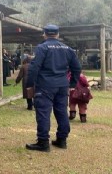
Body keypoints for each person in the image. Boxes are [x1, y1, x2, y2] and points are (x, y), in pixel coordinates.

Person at [25, 24, 81, 152]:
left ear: (44, 34)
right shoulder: (68, 49)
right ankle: (62, 140)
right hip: (62, 85)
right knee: (61, 111)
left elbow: (34, 67)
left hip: (45, 85)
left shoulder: (42, 47)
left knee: (43, 113)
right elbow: (77, 68)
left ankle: (43, 142)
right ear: (58, 35)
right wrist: (72, 84)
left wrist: (29, 84)